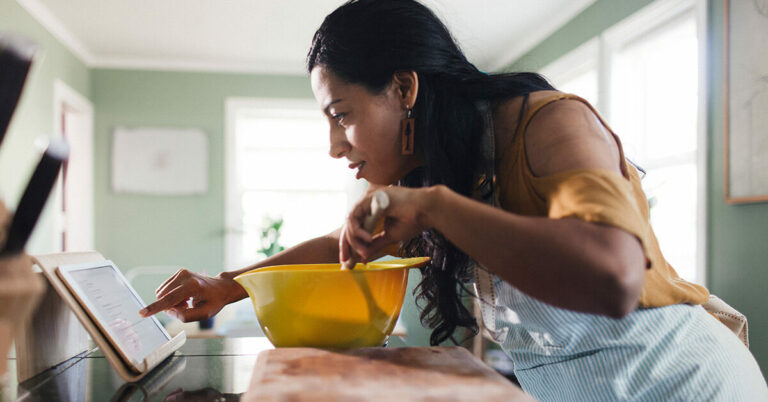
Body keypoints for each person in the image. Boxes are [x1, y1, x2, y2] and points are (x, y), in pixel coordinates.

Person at [140, 0, 768, 399]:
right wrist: (230, 284)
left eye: (342, 115)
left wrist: (438, 208)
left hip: (690, 387)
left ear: (404, 88)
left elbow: (614, 276)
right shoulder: (439, 175)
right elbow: (340, 250)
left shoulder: (551, 125)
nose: (336, 145)